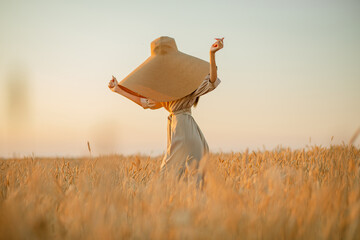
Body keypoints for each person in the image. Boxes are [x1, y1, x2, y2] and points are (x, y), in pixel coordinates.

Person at [108, 36, 224, 180]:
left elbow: (212, 80)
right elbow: (144, 102)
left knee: (168, 177)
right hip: (182, 129)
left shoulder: (188, 85)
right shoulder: (164, 92)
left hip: (183, 131)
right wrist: (118, 89)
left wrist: (212, 54)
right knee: (186, 179)